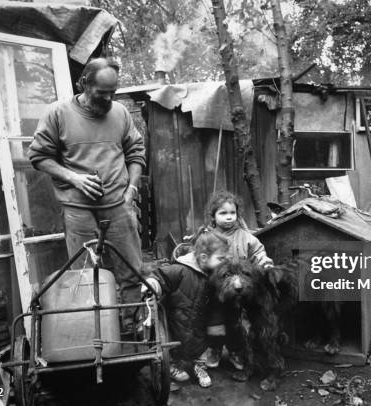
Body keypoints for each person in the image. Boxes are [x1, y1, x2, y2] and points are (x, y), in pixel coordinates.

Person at [27, 58, 146, 329]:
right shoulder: (58, 113)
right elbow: (38, 156)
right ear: (84, 84)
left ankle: (130, 327)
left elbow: (136, 152)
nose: (108, 99)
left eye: (112, 93)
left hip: (118, 205)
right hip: (78, 209)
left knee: (131, 270)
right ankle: (95, 335)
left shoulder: (120, 113)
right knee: (84, 273)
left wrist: (132, 189)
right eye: (101, 93)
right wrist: (74, 178)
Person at [143, 227, 229, 388]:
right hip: (177, 318)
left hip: (199, 321)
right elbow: (161, 276)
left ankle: (198, 366)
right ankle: (172, 367)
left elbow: (218, 301)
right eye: (221, 258)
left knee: (199, 345)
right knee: (173, 345)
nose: (225, 262)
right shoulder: (181, 269)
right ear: (204, 257)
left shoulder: (214, 275)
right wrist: (153, 284)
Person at [203, 190, 274, 369]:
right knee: (215, 323)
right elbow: (200, 257)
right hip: (217, 293)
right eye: (223, 213)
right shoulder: (208, 237)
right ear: (213, 216)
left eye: (232, 213)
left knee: (237, 325)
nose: (229, 217)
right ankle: (215, 348)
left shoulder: (246, 237)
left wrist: (263, 262)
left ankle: (236, 351)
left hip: (240, 291)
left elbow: (258, 253)